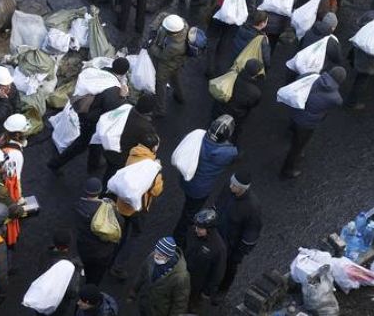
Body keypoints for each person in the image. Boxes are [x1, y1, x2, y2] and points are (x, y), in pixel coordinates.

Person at [48, 57, 130, 175]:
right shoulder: (113, 91)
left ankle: (93, 164)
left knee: (94, 141)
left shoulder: (103, 72)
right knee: (82, 144)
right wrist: (122, 97)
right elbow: (115, 110)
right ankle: (55, 164)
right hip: (92, 120)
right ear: (124, 73)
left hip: (85, 115)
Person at [173, 116, 238, 248]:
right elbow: (234, 152)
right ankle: (178, 238)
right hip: (201, 189)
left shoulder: (197, 138)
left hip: (187, 179)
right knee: (190, 213)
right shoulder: (228, 152)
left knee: (189, 205)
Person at [111, 135, 163, 279]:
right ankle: (118, 266)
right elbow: (156, 190)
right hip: (137, 209)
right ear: (153, 148)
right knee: (134, 236)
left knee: (121, 231)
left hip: (122, 203)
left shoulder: (133, 154)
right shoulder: (152, 168)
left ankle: (112, 255)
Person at [212, 171, 262, 297]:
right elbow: (218, 204)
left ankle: (223, 289)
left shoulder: (252, 207)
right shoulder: (228, 188)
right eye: (231, 183)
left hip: (231, 245)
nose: (230, 187)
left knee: (229, 268)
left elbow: (251, 234)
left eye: (234, 186)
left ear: (242, 189)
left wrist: (239, 254)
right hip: (217, 235)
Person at [74, 178, 123, 286]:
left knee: (88, 267)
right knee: (97, 275)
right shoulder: (106, 208)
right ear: (99, 191)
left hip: (84, 248)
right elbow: (119, 222)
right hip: (102, 252)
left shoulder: (78, 205)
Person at [128, 237, 190, 316]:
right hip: (145, 305)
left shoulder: (181, 277)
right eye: (156, 252)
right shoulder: (151, 257)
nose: (156, 256)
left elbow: (180, 303)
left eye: (160, 255)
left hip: (160, 311)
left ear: (169, 257)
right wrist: (134, 291)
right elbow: (142, 274)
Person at [103, 94, 157, 185]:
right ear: (150, 111)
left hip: (109, 146)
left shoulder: (125, 109)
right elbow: (150, 144)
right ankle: (105, 192)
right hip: (121, 155)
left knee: (109, 170)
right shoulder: (144, 127)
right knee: (113, 174)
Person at [0, 113, 29, 248]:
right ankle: (9, 239)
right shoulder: (15, 155)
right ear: (17, 134)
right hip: (5, 189)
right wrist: (19, 198)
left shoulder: (1, 138)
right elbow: (15, 180)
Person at [184, 209, 227, 312]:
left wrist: (206, 292)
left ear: (210, 229)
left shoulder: (218, 248)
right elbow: (184, 246)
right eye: (196, 226)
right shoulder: (192, 231)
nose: (197, 230)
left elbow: (217, 273)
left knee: (190, 305)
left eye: (200, 228)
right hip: (183, 274)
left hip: (197, 284)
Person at [211, 59, 262, 143]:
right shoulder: (256, 93)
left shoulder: (230, 75)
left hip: (219, 109)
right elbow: (253, 104)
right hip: (236, 117)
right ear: (256, 74)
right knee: (234, 133)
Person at [148, 14, 188, 118]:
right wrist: (154, 28)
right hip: (177, 62)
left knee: (160, 84)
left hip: (167, 65)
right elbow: (163, 15)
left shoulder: (175, 46)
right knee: (175, 78)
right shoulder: (181, 23)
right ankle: (180, 96)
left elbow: (161, 55)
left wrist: (150, 45)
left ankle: (160, 109)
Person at [41, 229, 85, 316]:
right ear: (69, 244)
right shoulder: (72, 265)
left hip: (42, 299)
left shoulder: (45, 256)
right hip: (58, 304)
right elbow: (72, 291)